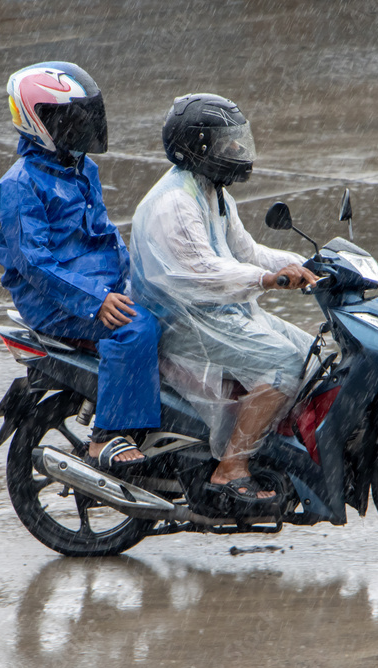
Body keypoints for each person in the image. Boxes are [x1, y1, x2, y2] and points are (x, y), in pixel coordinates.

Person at [129, 93, 319, 505]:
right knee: (285, 364)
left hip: (215, 312)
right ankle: (230, 467)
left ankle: (274, 447)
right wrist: (268, 280)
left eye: (237, 140)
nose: (236, 150)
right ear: (198, 147)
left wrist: (311, 263)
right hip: (183, 321)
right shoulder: (175, 203)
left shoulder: (211, 192)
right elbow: (205, 273)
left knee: (312, 353)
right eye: (225, 142)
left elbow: (246, 253)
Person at [0, 61, 161, 472]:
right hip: (57, 301)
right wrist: (96, 300)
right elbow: (36, 265)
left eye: (86, 118)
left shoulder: (81, 168)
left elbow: (101, 233)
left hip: (97, 286)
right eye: (70, 120)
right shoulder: (18, 186)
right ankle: (106, 438)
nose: (82, 128)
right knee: (137, 328)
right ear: (39, 121)